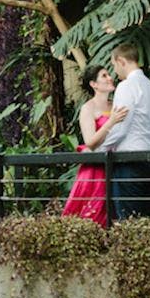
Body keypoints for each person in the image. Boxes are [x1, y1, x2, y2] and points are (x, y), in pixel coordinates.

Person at [62, 64, 128, 226]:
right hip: (95, 169)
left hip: (117, 164)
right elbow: (90, 141)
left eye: (109, 75)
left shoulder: (116, 104)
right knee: (93, 212)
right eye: (104, 76)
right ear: (94, 84)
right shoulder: (88, 108)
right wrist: (111, 122)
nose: (110, 78)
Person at [105, 42, 150, 219]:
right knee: (146, 222)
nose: (115, 71)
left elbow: (120, 128)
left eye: (114, 65)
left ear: (121, 60)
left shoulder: (126, 86)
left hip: (130, 161)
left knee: (127, 221)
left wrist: (98, 148)